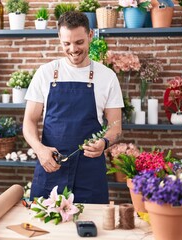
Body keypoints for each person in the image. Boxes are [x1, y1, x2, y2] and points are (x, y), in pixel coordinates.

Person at [23, 11, 124, 204]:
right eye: (66, 43)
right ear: (59, 39)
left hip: (90, 173)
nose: (73, 49)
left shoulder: (107, 76)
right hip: (51, 166)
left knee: (91, 229)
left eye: (79, 42)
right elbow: (29, 121)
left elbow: (115, 127)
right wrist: (39, 149)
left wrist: (104, 142)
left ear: (90, 35)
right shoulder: (45, 73)